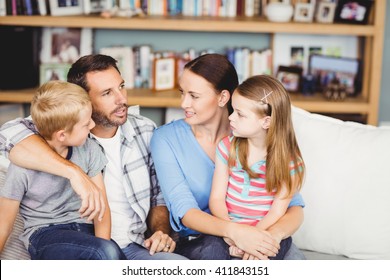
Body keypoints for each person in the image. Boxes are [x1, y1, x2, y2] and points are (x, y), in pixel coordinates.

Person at [0, 54, 186, 260]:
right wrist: (74, 173)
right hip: (74, 242)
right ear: (83, 99)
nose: (122, 99)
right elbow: (8, 134)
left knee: (179, 266)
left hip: (132, 245)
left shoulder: (145, 129)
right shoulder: (58, 126)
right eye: (107, 93)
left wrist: (161, 231)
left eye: (121, 86)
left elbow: (157, 197)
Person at [150, 53, 306, 260]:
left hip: (263, 235)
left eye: (194, 96)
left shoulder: (251, 131)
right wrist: (236, 233)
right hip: (205, 241)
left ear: (223, 97)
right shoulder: (165, 139)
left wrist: (267, 238)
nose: (183, 103)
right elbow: (184, 211)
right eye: (182, 93)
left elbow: (293, 208)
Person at [0, 81, 125, 260]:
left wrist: (104, 246)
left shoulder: (90, 149)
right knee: (104, 252)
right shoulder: (21, 166)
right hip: (45, 235)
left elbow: (101, 211)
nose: (91, 125)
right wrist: (104, 251)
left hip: (86, 233)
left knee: (111, 254)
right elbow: (4, 225)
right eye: (85, 124)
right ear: (62, 135)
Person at [209, 75, 305, 260]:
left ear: (266, 122)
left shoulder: (290, 162)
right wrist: (233, 235)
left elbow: (278, 211)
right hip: (229, 229)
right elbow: (216, 198)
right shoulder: (227, 148)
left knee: (269, 253)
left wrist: (254, 239)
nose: (230, 117)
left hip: (266, 231)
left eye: (240, 114)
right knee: (209, 250)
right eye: (233, 111)